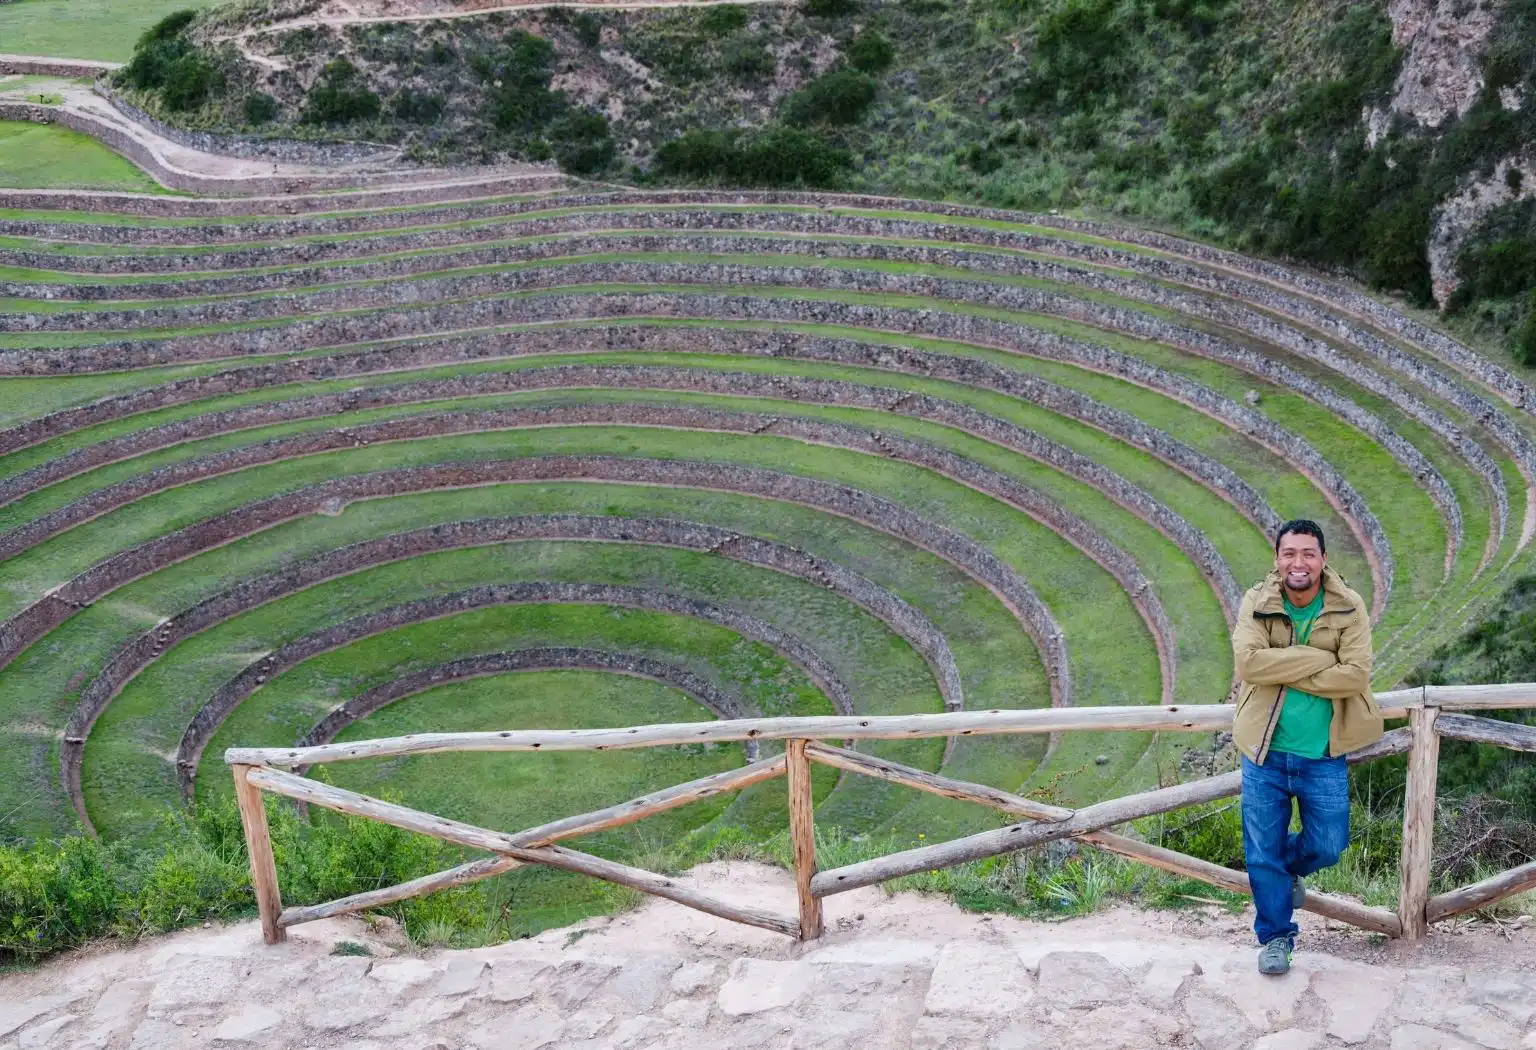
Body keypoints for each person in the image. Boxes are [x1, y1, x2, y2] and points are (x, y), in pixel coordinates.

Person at [1230, 519, 1382, 975]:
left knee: (1329, 844)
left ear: (1323, 559)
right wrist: (1320, 660)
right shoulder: (1256, 601)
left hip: (1323, 753)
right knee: (1261, 851)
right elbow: (1250, 666)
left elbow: (1355, 674)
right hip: (1265, 753)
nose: (1299, 563)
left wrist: (1285, 667)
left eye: (1308, 554)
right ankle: (1277, 937)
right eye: (1290, 553)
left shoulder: (1348, 606)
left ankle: (1285, 870)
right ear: (1277, 559)